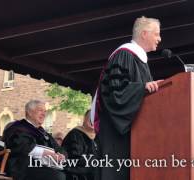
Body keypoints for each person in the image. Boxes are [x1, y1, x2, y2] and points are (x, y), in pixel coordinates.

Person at [90, 16, 163, 180]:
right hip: (116, 133)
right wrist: (141, 88)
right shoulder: (124, 54)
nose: (160, 39)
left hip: (133, 131)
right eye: (157, 34)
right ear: (144, 34)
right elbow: (114, 92)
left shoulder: (140, 61)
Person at [3, 100, 67, 180]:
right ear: (29, 112)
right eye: (40, 110)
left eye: (45, 111)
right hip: (23, 167)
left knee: (71, 174)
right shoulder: (17, 128)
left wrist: (61, 156)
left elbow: (59, 148)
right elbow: (22, 146)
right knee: (58, 176)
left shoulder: (43, 133)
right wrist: (46, 153)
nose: (44, 114)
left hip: (45, 166)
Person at [62, 110, 100, 180]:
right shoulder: (75, 134)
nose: (92, 121)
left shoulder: (98, 137)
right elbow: (74, 158)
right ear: (84, 119)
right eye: (90, 118)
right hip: (76, 173)